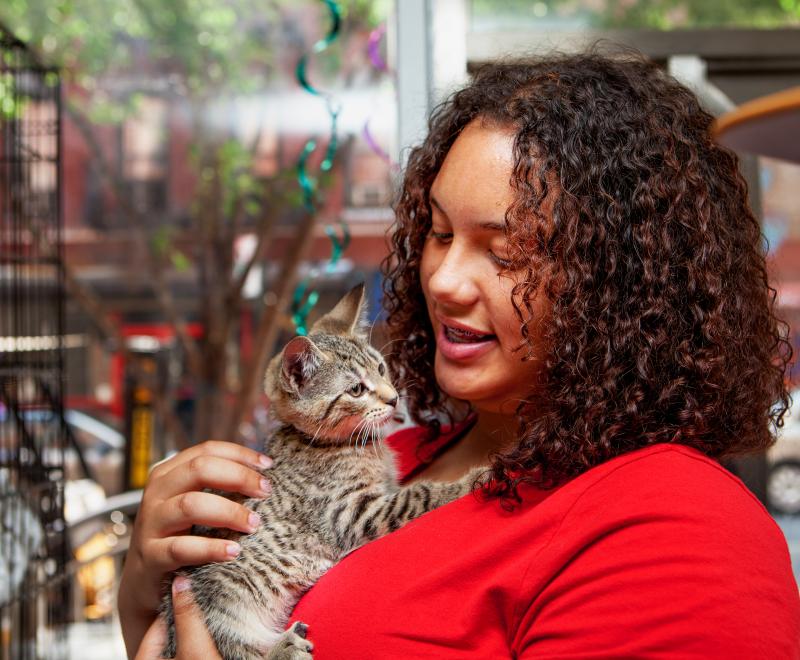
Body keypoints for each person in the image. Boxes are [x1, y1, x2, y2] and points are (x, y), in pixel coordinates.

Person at [119, 49, 800, 658]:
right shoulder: (401, 455)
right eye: (439, 233)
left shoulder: (676, 530)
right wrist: (150, 591)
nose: (440, 279)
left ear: (620, 283)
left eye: (504, 252)